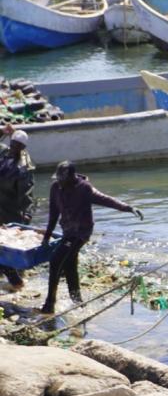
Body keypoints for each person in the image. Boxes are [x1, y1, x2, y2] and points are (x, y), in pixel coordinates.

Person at [40, 161, 143, 314]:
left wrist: (128, 208)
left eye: (63, 181)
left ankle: (49, 306)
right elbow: (53, 214)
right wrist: (46, 237)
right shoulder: (56, 188)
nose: (60, 184)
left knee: (55, 262)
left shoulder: (84, 188)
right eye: (58, 180)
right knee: (69, 265)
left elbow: (106, 199)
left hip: (81, 233)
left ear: (72, 178)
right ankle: (78, 303)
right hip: (68, 232)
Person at [0, 125, 34, 291]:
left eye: (17, 146)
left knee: (10, 247)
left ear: (22, 148)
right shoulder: (3, 154)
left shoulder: (23, 167)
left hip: (12, 210)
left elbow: (27, 193)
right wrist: (2, 132)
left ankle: (17, 281)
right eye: (12, 144)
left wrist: (27, 214)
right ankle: (10, 278)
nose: (13, 148)